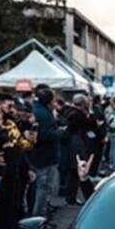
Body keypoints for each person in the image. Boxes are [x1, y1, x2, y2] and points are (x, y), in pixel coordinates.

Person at [29, 85, 64, 217]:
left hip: (43, 155)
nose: (55, 103)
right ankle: (38, 216)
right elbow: (45, 135)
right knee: (43, 188)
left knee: (43, 187)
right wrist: (60, 132)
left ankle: (40, 213)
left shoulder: (39, 109)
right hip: (44, 156)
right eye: (54, 100)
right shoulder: (42, 113)